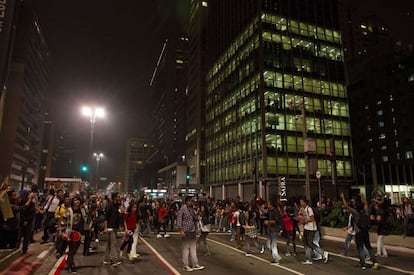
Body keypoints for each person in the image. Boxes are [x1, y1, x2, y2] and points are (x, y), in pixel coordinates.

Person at [340, 192, 379, 270]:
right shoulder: (366, 211)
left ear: (355, 206)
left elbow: (346, 206)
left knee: (360, 248)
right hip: (366, 231)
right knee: (369, 247)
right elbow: (366, 204)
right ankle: (375, 262)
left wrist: (342, 197)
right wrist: (363, 196)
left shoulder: (355, 212)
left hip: (358, 232)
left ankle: (363, 264)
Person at [177, 197, 205, 272]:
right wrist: (181, 230)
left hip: (192, 230)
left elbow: (194, 220)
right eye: (190, 201)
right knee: (186, 249)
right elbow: (179, 220)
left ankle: (195, 264)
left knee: (193, 248)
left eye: (191, 201)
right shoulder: (182, 209)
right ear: (186, 202)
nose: (191, 202)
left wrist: (196, 229)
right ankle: (185, 265)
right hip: (185, 231)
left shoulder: (191, 209)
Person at [298, 198, 328, 265]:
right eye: (300, 202)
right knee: (305, 243)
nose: (301, 203)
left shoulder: (309, 209)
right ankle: (308, 259)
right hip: (306, 228)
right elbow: (304, 217)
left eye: (302, 202)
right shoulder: (304, 209)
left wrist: (304, 221)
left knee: (310, 243)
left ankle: (323, 253)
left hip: (311, 228)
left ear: (305, 203)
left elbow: (312, 218)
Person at [64, 196, 84, 273]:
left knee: (75, 249)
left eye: (78, 200)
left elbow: (86, 220)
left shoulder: (82, 210)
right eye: (75, 200)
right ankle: (71, 265)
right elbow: (64, 221)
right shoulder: (69, 210)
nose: (77, 201)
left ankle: (69, 261)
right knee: (72, 249)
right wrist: (65, 233)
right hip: (71, 232)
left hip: (79, 233)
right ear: (73, 202)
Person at [103, 192, 122, 267]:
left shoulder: (117, 206)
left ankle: (106, 259)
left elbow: (117, 217)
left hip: (114, 227)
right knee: (113, 244)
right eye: (118, 196)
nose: (119, 197)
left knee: (109, 244)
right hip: (110, 227)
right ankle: (114, 260)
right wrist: (105, 227)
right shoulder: (109, 205)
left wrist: (119, 226)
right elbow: (106, 217)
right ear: (114, 197)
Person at [18, 190, 36, 254]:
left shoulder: (31, 203)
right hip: (21, 222)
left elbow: (32, 214)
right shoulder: (20, 202)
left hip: (28, 222)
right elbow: (21, 211)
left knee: (26, 237)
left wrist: (27, 220)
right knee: (19, 237)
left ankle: (24, 250)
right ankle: (17, 250)